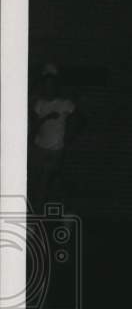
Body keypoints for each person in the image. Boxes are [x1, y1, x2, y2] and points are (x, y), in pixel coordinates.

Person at [28, 64, 82, 211]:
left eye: (52, 84)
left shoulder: (65, 104)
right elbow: (33, 127)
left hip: (56, 150)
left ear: (56, 85)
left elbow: (79, 119)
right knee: (37, 185)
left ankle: (49, 216)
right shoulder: (39, 104)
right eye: (46, 84)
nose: (49, 88)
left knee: (48, 183)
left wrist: (70, 137)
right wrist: (45, 118)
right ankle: (36, 217)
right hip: (39, 149)